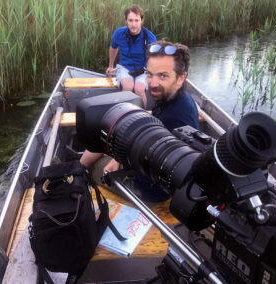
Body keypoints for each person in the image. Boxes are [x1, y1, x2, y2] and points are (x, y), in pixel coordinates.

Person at [81, 40, 199, 202]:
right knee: (108, 132)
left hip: (147, 189)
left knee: (98, 168)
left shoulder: (177, 117)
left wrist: (119, 160)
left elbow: (160, 169)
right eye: (149, 74)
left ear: (181, 78)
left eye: (163, 76)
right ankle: (79, 166)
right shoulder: (172, 97)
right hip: (145, 167)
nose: (153, 83)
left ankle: (79, 173)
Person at [106, 4, 157, 108]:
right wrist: (111, 66)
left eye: (136, 20)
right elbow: (113, 48)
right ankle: (123, 113)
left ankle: (143, 116)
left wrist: (153, 73)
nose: (133, 24)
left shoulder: (150, 37)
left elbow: (155, 58)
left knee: (139, 89)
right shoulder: (118, 33)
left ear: (141, 21)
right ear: (126, 21)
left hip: (143, 69)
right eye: (130, 20)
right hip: (125, 67)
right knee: (128, 87)